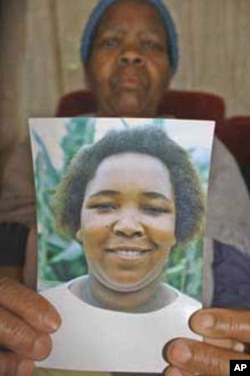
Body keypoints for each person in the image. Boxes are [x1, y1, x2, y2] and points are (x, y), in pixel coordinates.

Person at [0, 0, 249, 375]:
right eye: (111, 41)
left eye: (150, 45)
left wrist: (240, 368)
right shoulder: (32, 154)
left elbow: (239, 296)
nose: (131, 54)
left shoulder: (216, 155)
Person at [36, 125, 204, 372]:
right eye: (105, 205)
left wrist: (237, 368)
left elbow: (240, 369)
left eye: (154, 209)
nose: (127, 227)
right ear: (78, 222)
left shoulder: (202, 326)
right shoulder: (36, 318)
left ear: (177, 228)